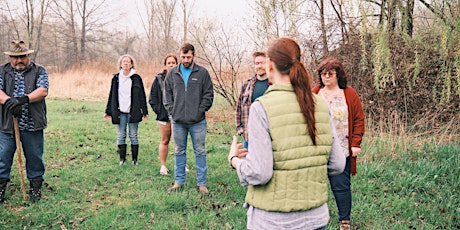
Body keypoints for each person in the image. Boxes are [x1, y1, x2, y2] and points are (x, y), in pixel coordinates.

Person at [228, 37, 345, 229]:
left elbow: (259, 173)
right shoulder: (320, 104)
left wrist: (234, 159)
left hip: (273, 222)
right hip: (315, 219)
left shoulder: (262, 108)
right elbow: (338, 164)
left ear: (270, 65)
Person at [312, 57, 365, 230]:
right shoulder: (314, 93)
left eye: (330, 74)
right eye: (323, 73)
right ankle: (315, 219)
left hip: (342, 148)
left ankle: (344, 220)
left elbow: (358, 119)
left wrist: (356, 143)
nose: (326, 77)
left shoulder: (349, 94)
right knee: (314, 185)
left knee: (341, 186)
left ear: (338, 75)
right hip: (318, 148)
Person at [0, 40, 49, 203]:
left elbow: (42, 91)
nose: (19, 60)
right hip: (7, 125)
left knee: (35, 157)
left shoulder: (39, 71)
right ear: (10, 58)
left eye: (22, 56)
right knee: (2, 157)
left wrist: (22, 100)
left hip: (32, 124)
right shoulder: (2, 71)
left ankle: (35, 189)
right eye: (15, 57)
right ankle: (0, 188)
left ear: (28, 56)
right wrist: (8, 102)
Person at [163, 43, 214, 195]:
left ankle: (202, 184)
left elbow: (208, 95)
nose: (185, 60)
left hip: (197, 121)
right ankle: (179, 181)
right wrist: (173, 111)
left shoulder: (202, 73)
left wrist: (200, 111)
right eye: (183, 57)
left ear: (194, 56)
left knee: (200, 151)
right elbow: (167, 95)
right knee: (179, 151)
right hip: (178, 121)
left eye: (188, 57)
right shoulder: (172, 74)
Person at [104, 54, 148, 166]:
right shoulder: (116, 78)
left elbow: (142, 95)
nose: (126, 63)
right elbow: (111, 95)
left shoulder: (137, 78)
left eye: (128, 62)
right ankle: (122, 159)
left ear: (132, 64)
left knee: (133, 135)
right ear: (120, 64)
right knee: (121, 135)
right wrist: (108, 111)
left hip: (133, 112)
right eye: (124, 61)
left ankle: (135, 160)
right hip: (120, 112)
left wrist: (145, 111)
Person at [149, 53, 178, 175]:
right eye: (169, 63)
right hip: (164, 117)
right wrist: (160, 111)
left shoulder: (181, 78)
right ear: (165, 65)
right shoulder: (158, 79)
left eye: (173, 62)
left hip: (178, 116)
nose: (171, 65)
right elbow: (152, 99)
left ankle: (180, 165)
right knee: (165, 140)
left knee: (179, 142)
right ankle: (163, 166)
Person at [236, 51, 269, 149]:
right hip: (249, 135)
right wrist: (240, 129)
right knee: (248, 163)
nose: (259, 66)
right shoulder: (247, 84)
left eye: (262, 63)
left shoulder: (274, 84)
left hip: (268, 135)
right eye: (257, 63)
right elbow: (239, 107)